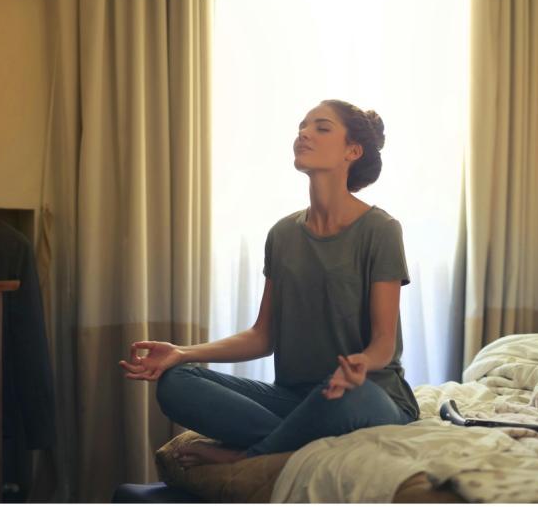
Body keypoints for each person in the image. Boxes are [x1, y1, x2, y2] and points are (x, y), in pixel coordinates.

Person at [120, 99, 419, 467]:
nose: (304, 134)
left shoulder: (380, 230)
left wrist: (360, 361)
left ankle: (249, 455)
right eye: (302, 127)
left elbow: (384, 343)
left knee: (344, 398)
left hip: (365, 393)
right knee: (177, 383)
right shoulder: (282, 234)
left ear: (352, 151)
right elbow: (262, 336)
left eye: (321, 128)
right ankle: (293, 439)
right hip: (294, 399)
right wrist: (184, 352)